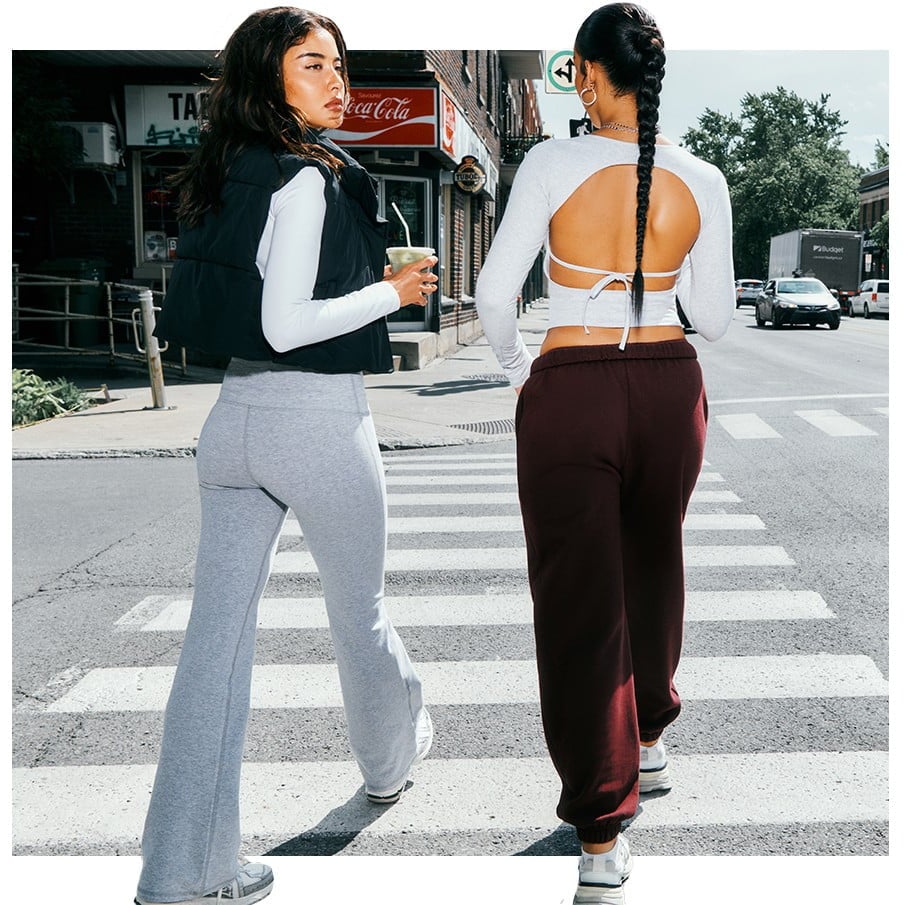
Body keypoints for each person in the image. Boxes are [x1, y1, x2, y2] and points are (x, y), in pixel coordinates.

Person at [133, 8, 437, 904]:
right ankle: (389, 761)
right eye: (312, 65)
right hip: (313, 418)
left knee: (212, 650)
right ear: (270, 80)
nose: (337, 81)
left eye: (340, 65)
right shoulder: (305, 179)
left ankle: (183, 868)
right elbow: (289, 324)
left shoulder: (229, 172)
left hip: (232, 421)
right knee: (361, 612)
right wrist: (388, 290)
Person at [474, 4, 734, 903]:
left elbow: (494, 292)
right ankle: (652, 731)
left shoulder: (551, 161)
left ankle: (599, 830)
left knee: (579, 600)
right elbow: (719, 317)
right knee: (655, 556)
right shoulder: (702, 174)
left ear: (586, 74)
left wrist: (520, 372)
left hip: (574, 380)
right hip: (670, 384)